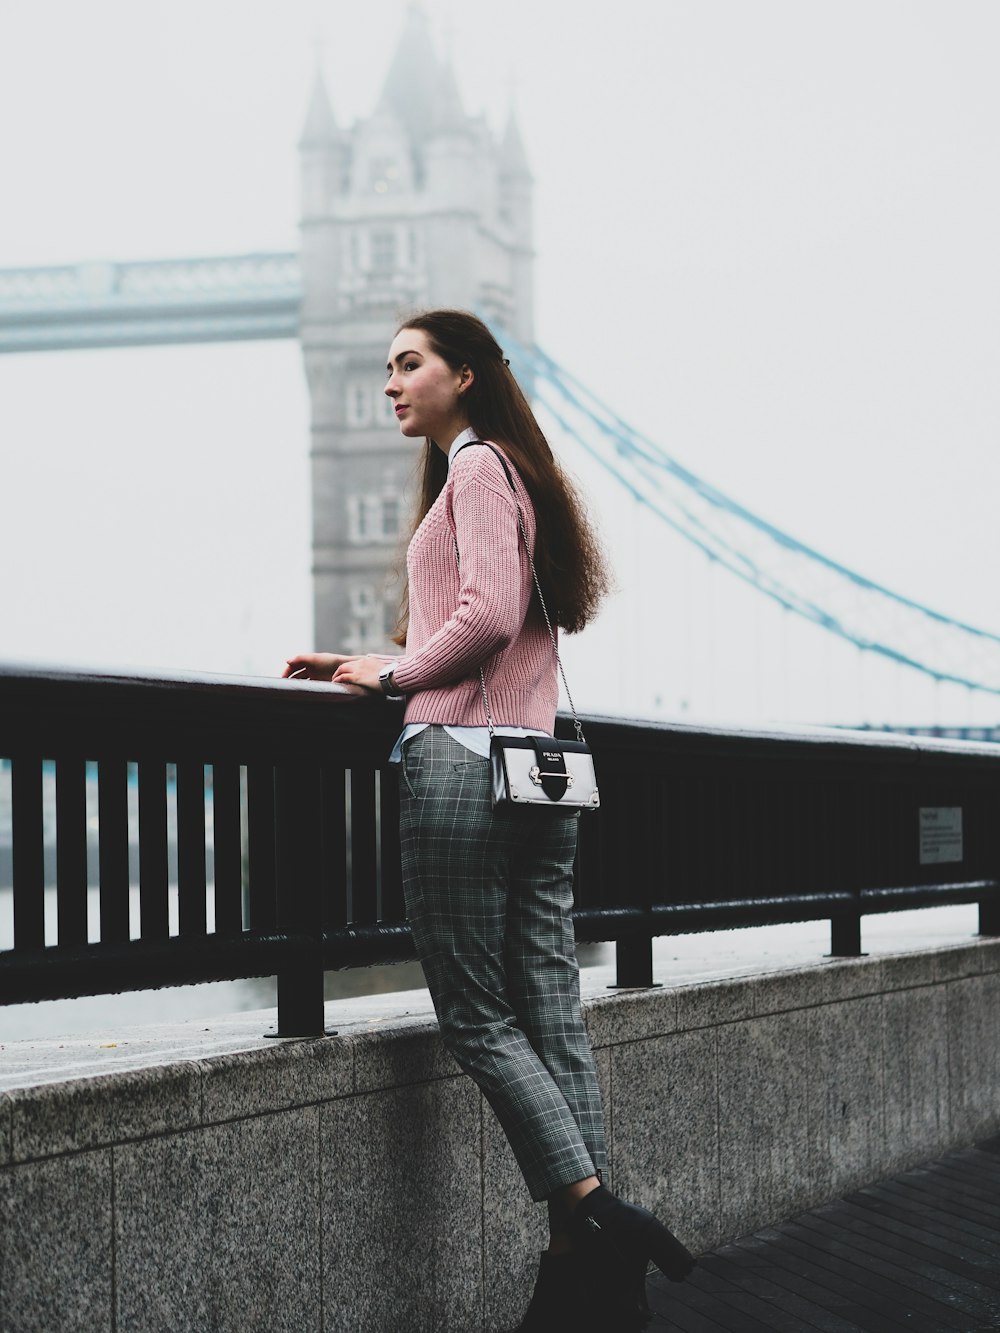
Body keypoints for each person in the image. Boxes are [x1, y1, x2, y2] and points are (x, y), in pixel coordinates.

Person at [284, 310, 695, 1330]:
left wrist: (391, 674)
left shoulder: (473, 468)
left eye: (408, 363)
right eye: (387, 367)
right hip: (541, 768)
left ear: (462, 375)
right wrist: (376, 652)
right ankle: (586, 1278)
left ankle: (600, 1215)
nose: (390, 383)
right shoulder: (514, 470)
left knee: (476, 1013)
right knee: (550, 1006)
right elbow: (505, 624)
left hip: (463, 763)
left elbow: (484, 618)